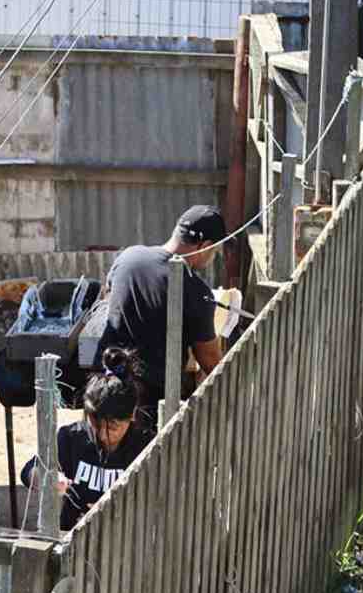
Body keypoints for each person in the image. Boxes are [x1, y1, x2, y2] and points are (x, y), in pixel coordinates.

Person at [96, 204, 226, 411]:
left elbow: (108, 297)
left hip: (104, 378)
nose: (214, 257)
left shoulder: (129, 256)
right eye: (215, 251)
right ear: (205, 246)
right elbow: (210, 360)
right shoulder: (195, 290)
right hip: (150, 397)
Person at [20, 348, 154, 531]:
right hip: (72, 534)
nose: (102, 435)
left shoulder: (147, 447)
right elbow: (29, 470)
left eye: (113, 427)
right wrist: (48, 479)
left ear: (131, 415)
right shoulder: (72, 438)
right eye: (95, 424)